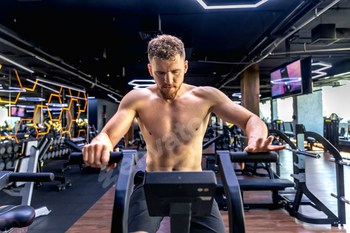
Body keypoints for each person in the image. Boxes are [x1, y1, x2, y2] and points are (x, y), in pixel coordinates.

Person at [82, 34, 286, 233]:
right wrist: (101, 143)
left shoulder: (205, 96)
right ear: (150, 70)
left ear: (185, 67)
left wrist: (255, 139)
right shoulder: (137, 99)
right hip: (152, 183)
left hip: (195, 184)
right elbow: (108, 135)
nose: (168, 80)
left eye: (175, 72)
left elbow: (251, 119)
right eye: (160, 73)